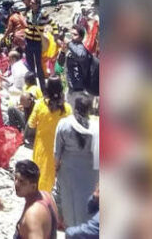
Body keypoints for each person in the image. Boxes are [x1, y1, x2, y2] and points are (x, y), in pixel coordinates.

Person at [55, 95, 98, 228]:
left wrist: (56, 170)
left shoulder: (64, 124)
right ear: (89, 110)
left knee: (70, 206)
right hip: (90, 173)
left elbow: (57, 153)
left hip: (68, 172)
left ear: (75, 108)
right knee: (86, 206)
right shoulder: (96, 127)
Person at [28, 77, 72, 192]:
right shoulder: (67, 109)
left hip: (41, 148)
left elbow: (31, 124)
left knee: (40, 176)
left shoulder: (39, 105)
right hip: (60, 151)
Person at [13, 160, 58, 239]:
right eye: (15, 178)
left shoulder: (32, 215)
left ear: (33, 186)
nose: (16, 184)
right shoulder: (47, 196)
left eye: (22, 181)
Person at [64, 26, 93, 108]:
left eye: (75, 34)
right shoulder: (72, 47)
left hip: (78, 88)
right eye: (71, 34)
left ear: (81, 37)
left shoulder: (80, 47)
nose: (72, 36)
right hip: (72, 86)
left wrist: (69, 43)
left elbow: (80, 55)